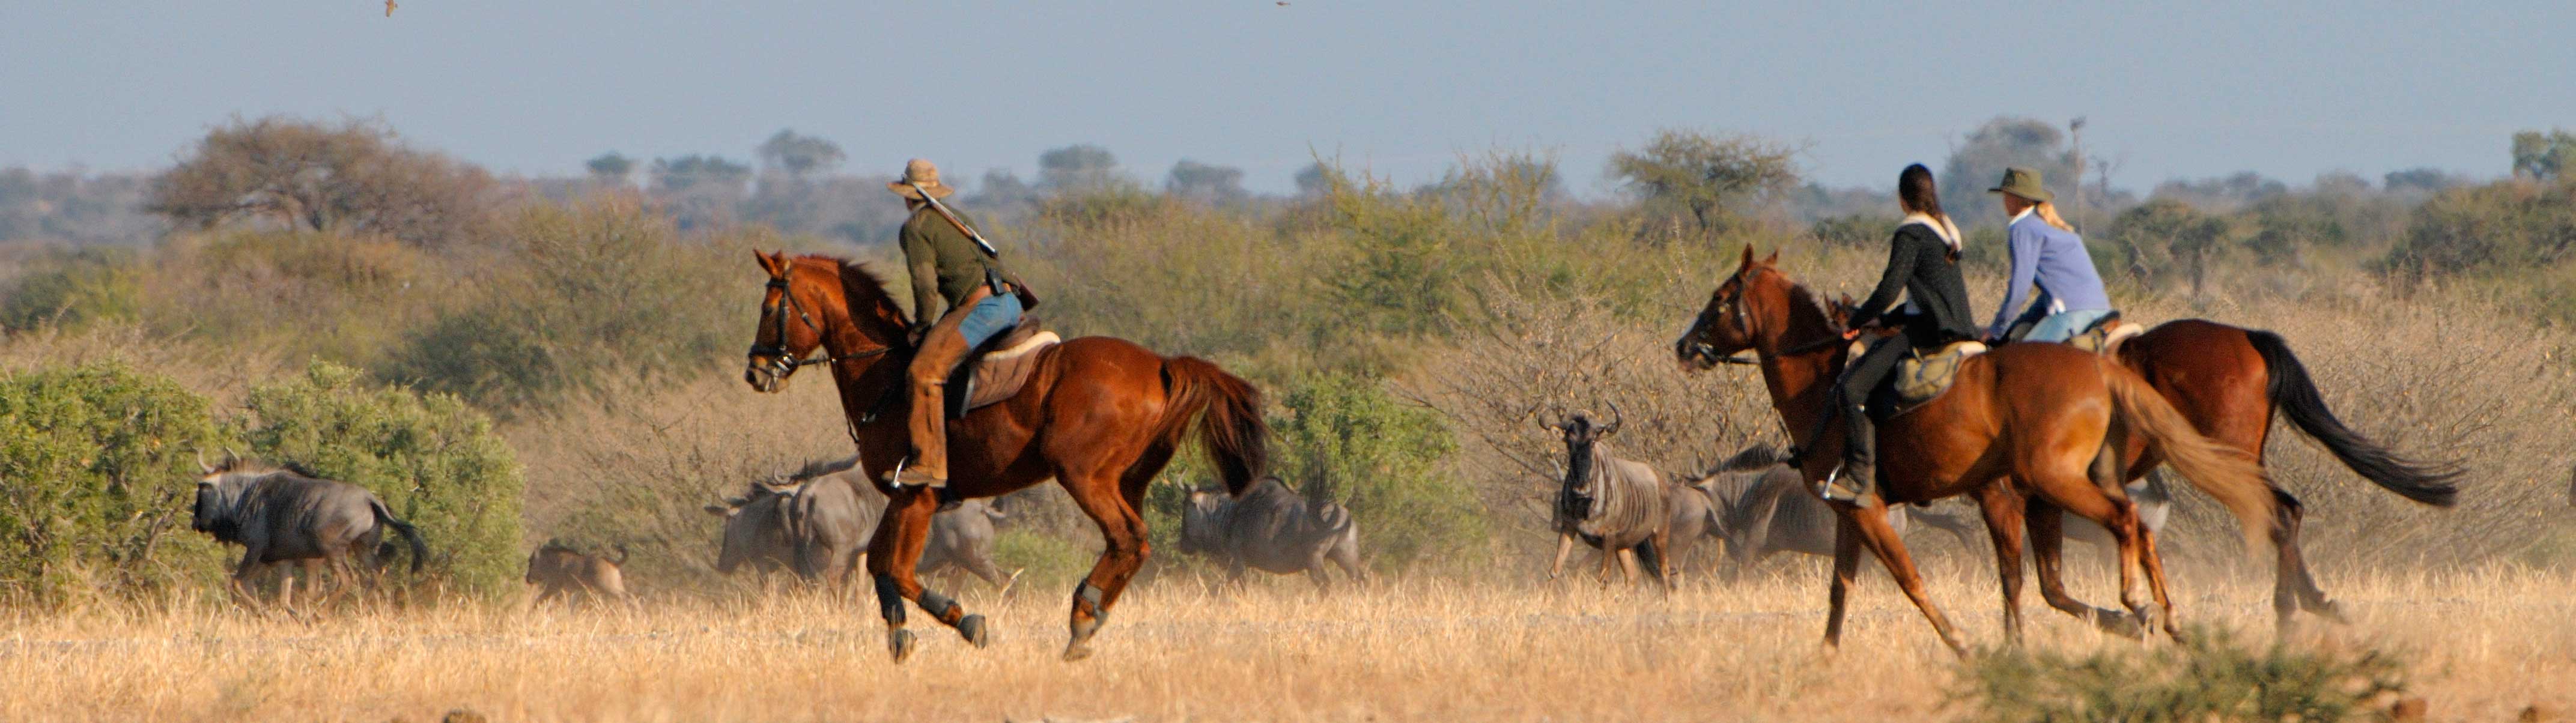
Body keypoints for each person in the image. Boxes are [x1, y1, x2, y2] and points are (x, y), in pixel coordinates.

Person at [1805, 163, 1981, 503]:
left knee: (1850, 389)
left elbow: (1889, 288)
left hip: (1928, 334)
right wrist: (1884, 320)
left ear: (1903, 198)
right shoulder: (1944, 233)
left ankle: (1859, 476)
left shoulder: (1911, 232)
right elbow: (1924, 296)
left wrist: (1858, 319)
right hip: (1961, 329)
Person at [887, 159, 1032, 488]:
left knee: (923, 372)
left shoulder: (917, 227)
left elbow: (925, 286)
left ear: (907, 197)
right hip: (1011, 303)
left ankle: (929, 465)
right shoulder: (957, 218)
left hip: (985, 309)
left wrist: (922, 326)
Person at [1984, 167, 2112, 343]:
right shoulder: (2055, 228)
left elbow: (2019, 289)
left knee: (2020, 361)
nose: (2004, 201)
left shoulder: (2022, 228)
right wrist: (2024, 321)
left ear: (2015, 198)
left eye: (2006, 195)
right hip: (2102, 311)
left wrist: (1998, 329)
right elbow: (2051, 294)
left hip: (2071, 314)